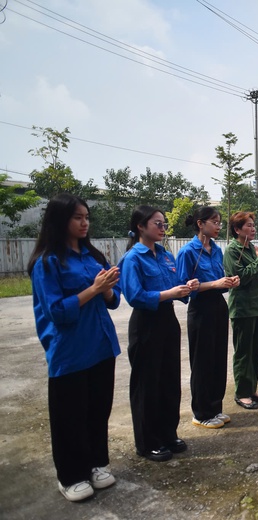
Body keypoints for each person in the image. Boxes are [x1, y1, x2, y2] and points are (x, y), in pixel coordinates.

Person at [28, 194, 121, 502]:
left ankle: (96, 464)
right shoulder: (48, 262)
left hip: (101, 346)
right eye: (78, 217)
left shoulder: (92, 256)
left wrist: (106, 291)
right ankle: (70, 475)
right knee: (70, 415)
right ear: (60, 220)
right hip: (69, 350)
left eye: (86, 217)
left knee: (97, 410)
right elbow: (57, 311)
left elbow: (114, 300)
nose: (85, 223)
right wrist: (93, 288)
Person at [119, 205, 197, 463]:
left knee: (169, 380)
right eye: (157, 224)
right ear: (141, 226)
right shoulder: (133, 258)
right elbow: (134, 295)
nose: (163, 228)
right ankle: (148, 441)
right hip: (146, 323)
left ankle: (168, 433)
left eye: (164, 224)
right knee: (147, 384)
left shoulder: (164, 254)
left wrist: (185, 288)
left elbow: (173, 287)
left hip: (167, 320)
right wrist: (169, 294)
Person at [176, 207, 239, 429]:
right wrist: (214, 284)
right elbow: (184, 288)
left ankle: (215, 407)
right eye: (214, 222)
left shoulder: (216, 250)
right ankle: (201, 412)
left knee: (217, 359)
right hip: (200, 309)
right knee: (202, 361)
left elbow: (219, 279)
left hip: (218, 306)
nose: (218, 226)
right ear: (200, 224)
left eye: (220, 222)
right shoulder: (188, 252)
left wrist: (228, 281)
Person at [223, 211, 258, 408]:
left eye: (253, 225)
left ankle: (251, 387)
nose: (253, 229)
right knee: (244, 352)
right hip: (243, 309)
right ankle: (242, 392)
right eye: (249, 226)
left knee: (257, 351)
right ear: (237, 229)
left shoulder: (252, 248)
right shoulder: (233, 250)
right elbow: (240, 278)